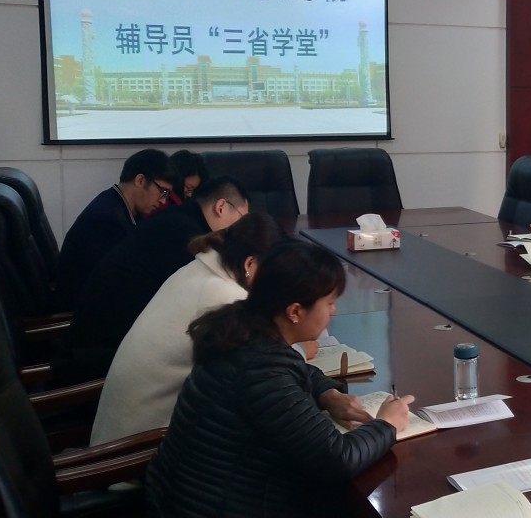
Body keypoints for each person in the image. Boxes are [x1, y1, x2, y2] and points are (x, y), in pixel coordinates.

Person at [145, 241, 414, 516]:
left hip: (181, 497)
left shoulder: (241, 329)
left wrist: (327, 393)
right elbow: (337, 459)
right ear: (294, 311)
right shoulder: (260, 371)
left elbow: (295, 369)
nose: (334, 311)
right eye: (329, 302)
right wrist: (387, 424)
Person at [89, 213, 288, 446]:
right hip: (140, 448)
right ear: (250, 264)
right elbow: (266, 370)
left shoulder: (197, 269)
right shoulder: (225, 296)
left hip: (117, 429)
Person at [55, 176, 251, 383]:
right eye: (242, 220)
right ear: (221, 207)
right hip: (103, 354)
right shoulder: (187, 237)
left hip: (95, 338)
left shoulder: (175, 219)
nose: (240, 231)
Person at [55, 148, 172, 312]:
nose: (163, 201)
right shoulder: (106, 221)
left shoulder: (116, 203)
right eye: (163, 192)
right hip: (83, 311)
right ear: (140, 180)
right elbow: (115, 284)